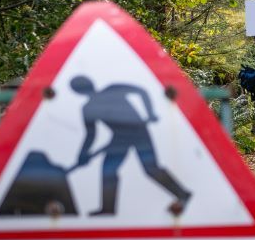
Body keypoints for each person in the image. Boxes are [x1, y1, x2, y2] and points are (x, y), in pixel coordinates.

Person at [70, 77, 190, 216]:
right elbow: (90, 134)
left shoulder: (110, 91)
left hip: (138, 131)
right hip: (119, 138)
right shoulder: (89, 108)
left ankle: (182, 194)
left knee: (149, 168)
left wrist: (149, 113)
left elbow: (141, 91)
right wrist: (83, 154)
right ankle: (108, 209)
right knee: (108, 169)